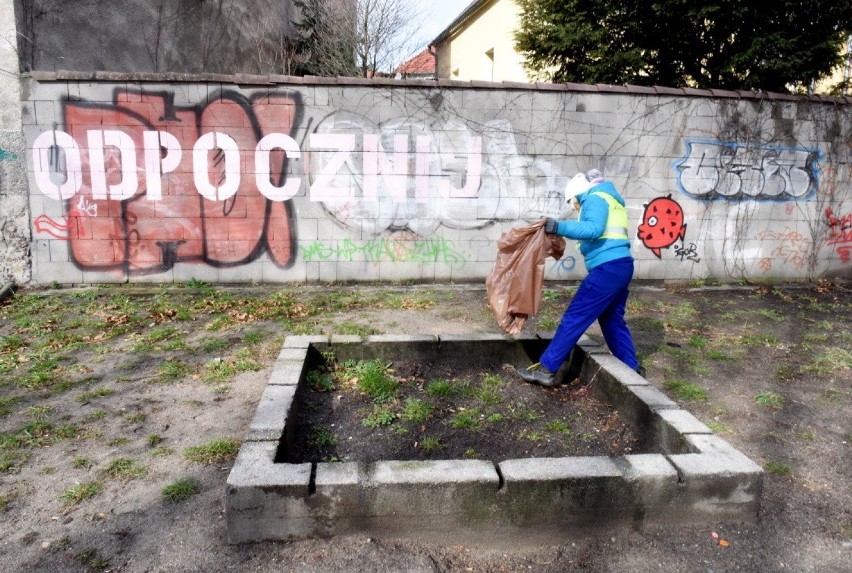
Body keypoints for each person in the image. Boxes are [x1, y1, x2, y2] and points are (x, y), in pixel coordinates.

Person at [515, 169, 640, 387]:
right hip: (621, 265)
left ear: (577, 194)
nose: (575, 207)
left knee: (575, 316)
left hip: (608, 268)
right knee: (612, 320)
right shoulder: (610, 198)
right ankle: (632, 370)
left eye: (573, 202)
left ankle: (547, 369)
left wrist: (559, 227)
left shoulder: (594, 197)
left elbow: (593, 229)